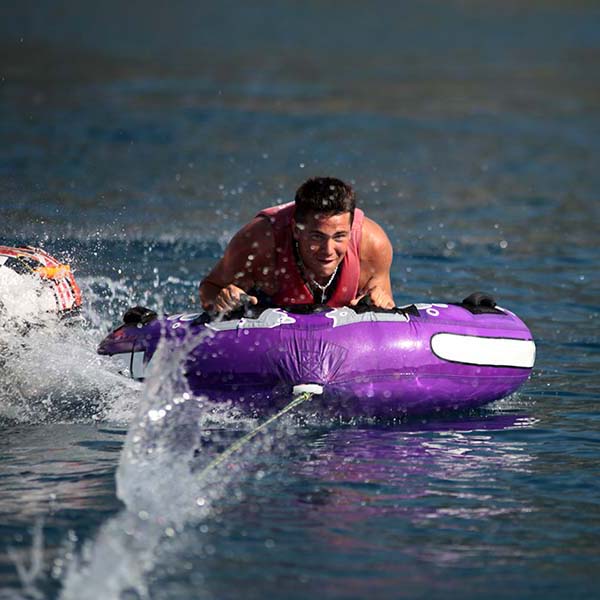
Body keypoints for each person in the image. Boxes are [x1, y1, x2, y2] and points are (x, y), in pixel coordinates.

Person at [199, 177, 395, 312]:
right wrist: (223, 298)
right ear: (296, 230)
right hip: (266, 304)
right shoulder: (259, 240)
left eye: (339, 236)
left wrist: (382, 304)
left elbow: (386, 301)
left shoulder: (373, 246)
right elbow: (209, 289)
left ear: (351, 230)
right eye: (317, 237)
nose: (328, 250)